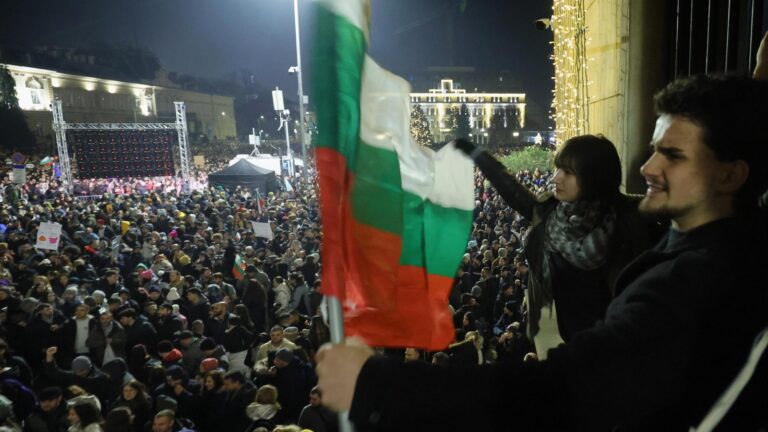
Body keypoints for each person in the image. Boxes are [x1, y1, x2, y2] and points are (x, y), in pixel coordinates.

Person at [315, 75, 768, 430]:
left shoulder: (692, 278)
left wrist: (376, 384)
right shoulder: (716, 242)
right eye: (653, 150)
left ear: (731, 176)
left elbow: (565, 391)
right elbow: (515, 193)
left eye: (673, 155)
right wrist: (476, 153)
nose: (648, 167)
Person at [456, 133, 656, 357]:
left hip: (618, 348)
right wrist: (478, 156)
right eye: (557, 168)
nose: (556, 178)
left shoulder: (630, 221)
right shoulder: (550, 214)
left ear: (595, 177)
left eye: (568, 172)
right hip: (571, 338)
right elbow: (512, 190)